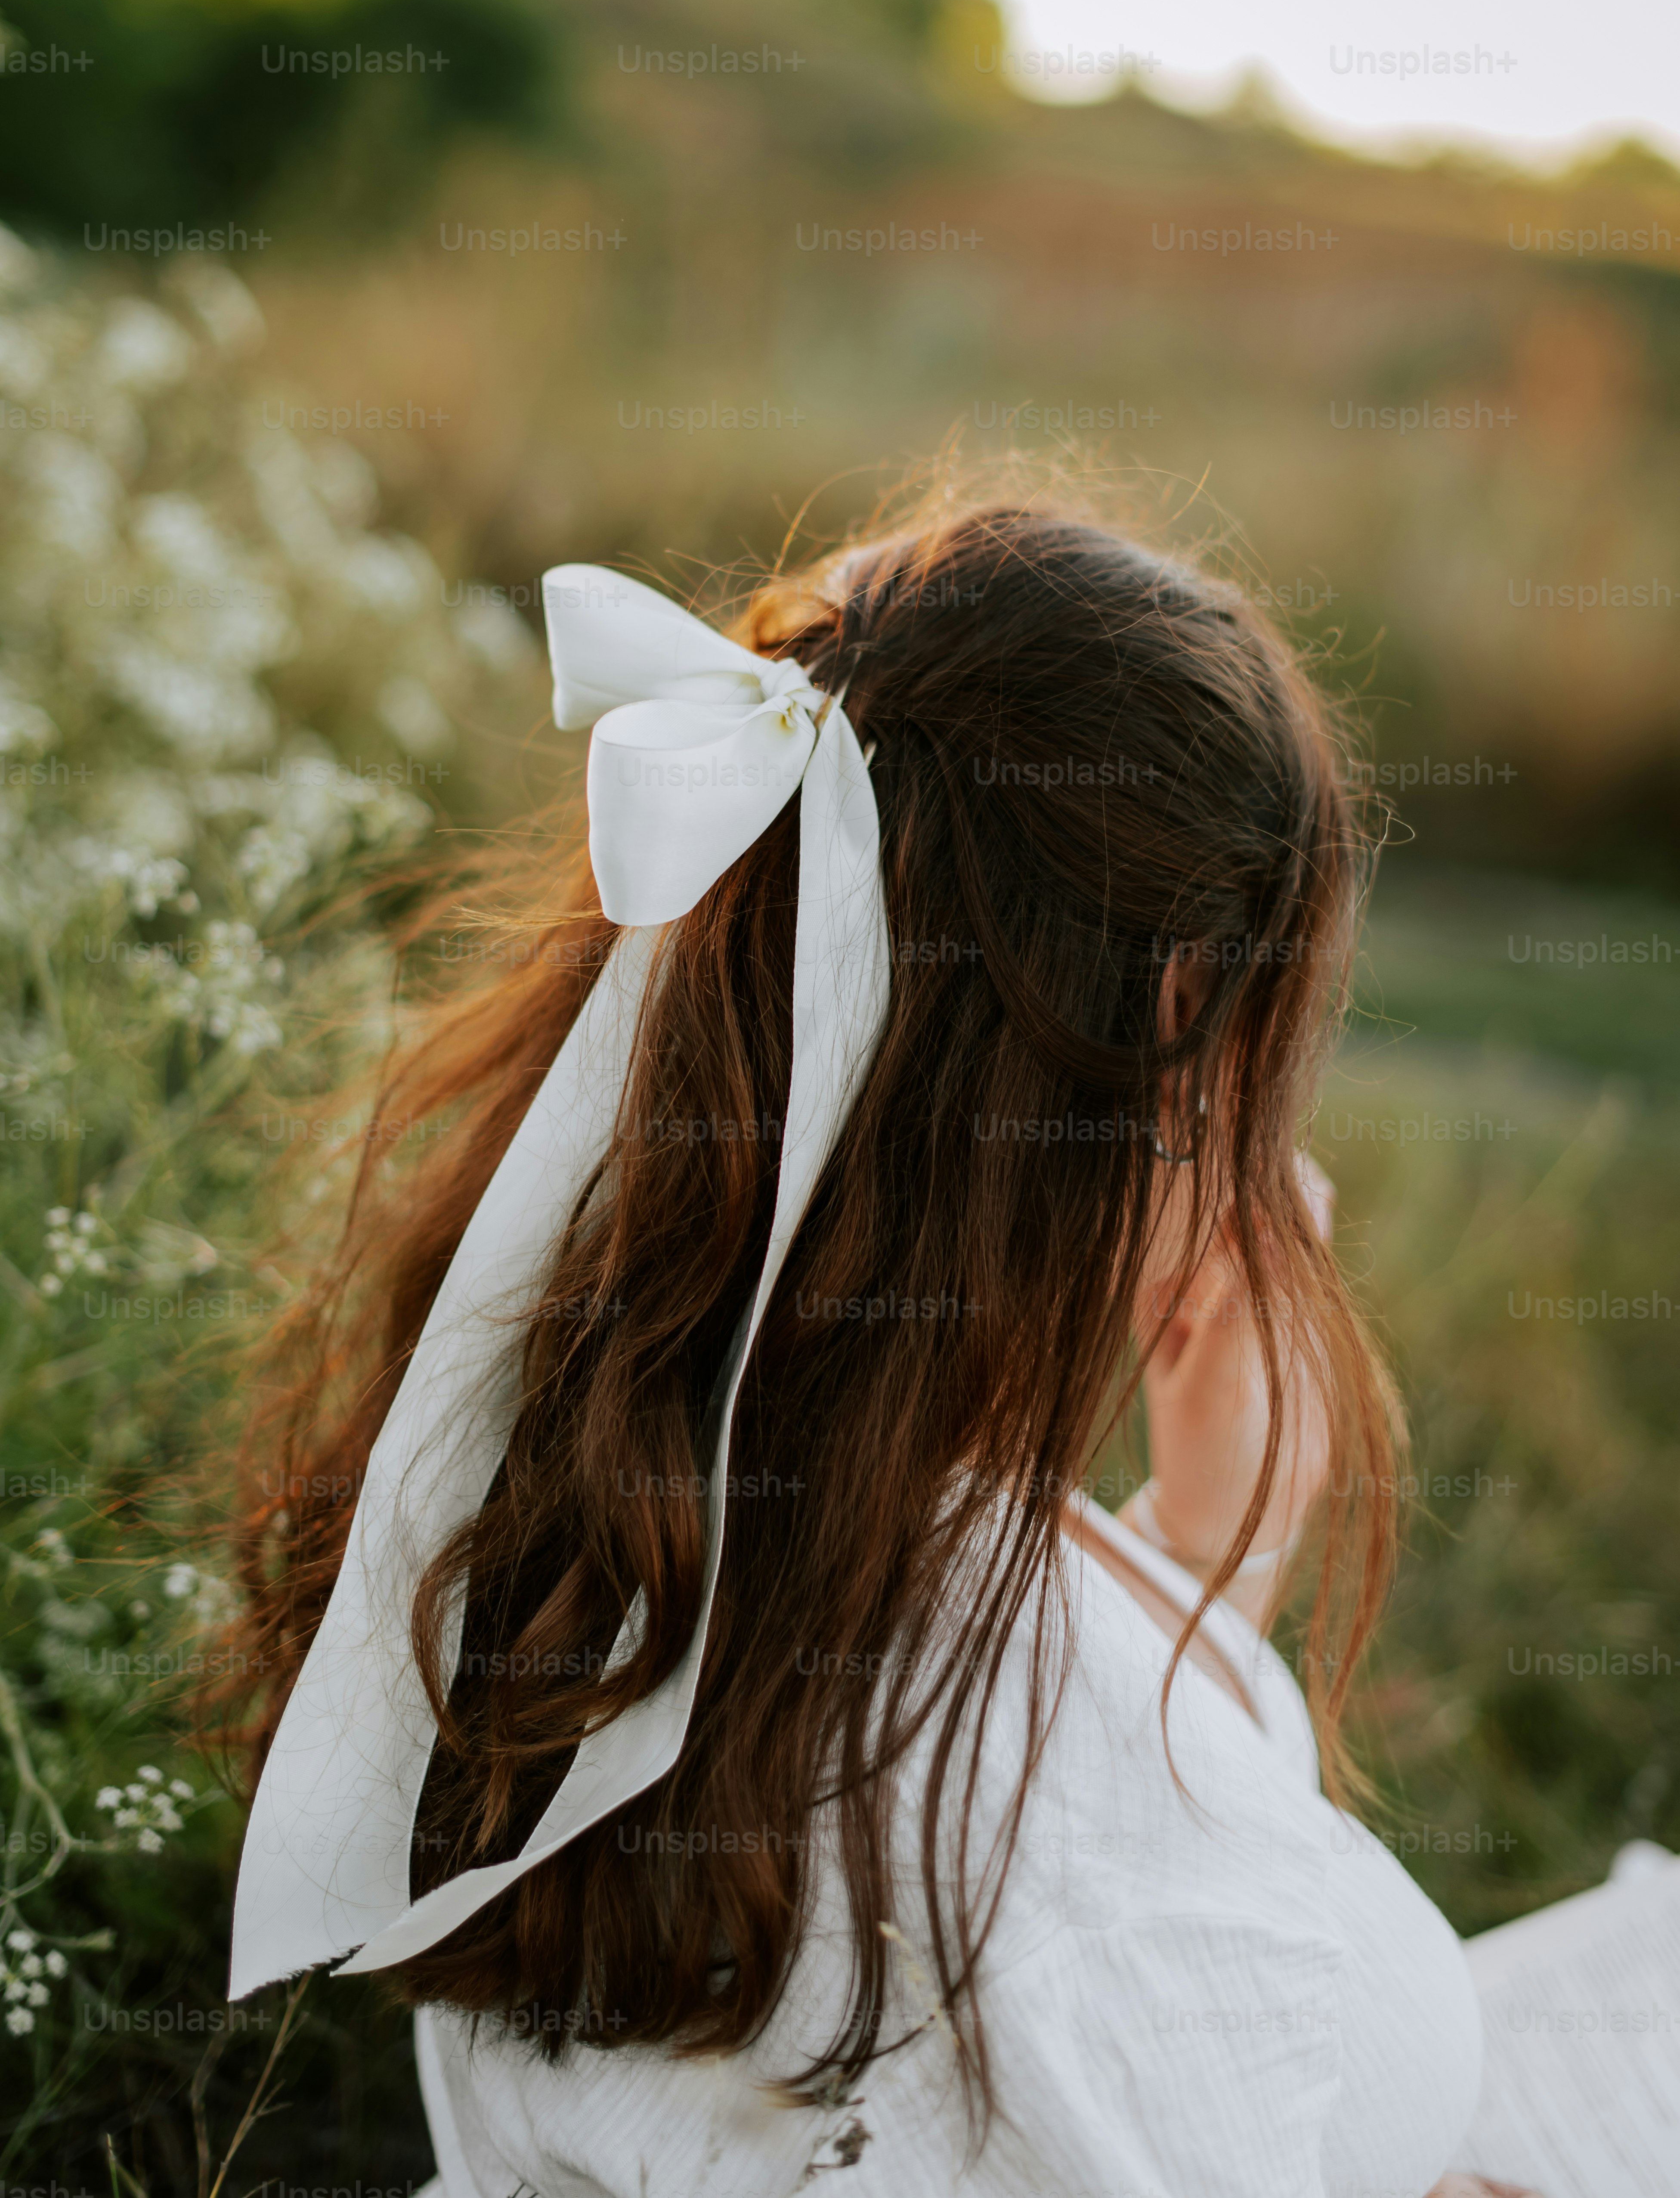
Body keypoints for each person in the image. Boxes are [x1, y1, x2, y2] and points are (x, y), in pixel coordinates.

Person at [219, 503, 1542, 2197]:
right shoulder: (1093, 1891)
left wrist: (1211, 1554)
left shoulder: (594, 1482)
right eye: (1259, 1075)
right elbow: (1120, 1910)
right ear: (1167, 1045)